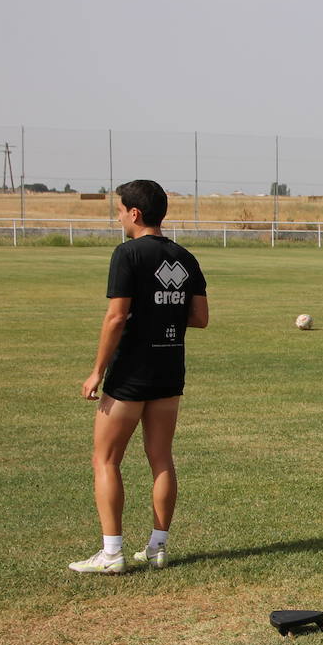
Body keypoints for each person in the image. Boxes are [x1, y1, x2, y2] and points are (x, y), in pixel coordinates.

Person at [69, 179, 208, 574]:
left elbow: (115, 317)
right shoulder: (185, 258)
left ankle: (112, 553)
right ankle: (157, 547)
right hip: (169, 368)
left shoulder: (127, 254)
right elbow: (200, 318)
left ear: (135, 213)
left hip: (131, 372)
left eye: (118, 210)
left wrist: (97, 371)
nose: (117, 217)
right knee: (161, 458)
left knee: (106, 459)